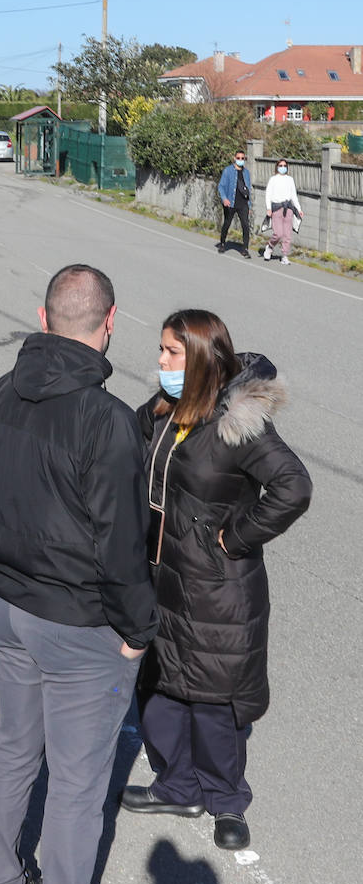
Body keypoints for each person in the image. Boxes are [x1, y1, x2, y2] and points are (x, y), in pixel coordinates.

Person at [0, 264, 160, 884]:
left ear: (45, 316)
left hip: (7, 601)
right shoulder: (107, 420)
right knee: (78, 786)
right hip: (78, 623)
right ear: (109, 322)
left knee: (14, 747)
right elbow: (122, 545)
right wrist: (138, 629)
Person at [119, 310, 311, 852]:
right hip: (157, 580)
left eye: (172, 353)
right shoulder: (161, 411)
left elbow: (293, 486)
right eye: (161, 350)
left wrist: (236, 537)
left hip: (215, 591)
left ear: (202, 358)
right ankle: (177, 785)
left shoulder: (236, 423)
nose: (160, 361)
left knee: (211, 699)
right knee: (159, 689)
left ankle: (227, 799)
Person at [262, 159, 302, 265]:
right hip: (276, 208)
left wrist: (299, 209)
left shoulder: (290, 179)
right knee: (278, 233)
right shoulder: (273, 179)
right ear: (277, 167)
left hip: (288, 208)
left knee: (287, 234)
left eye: (285, 166)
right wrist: (268, 208)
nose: (283, 167)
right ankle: (270, 246)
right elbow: (268, 195)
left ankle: (284, 255)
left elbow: (294, 195)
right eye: (281, 165)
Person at [217, 150, 253, 257]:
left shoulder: (246, 173)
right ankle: (223, 243)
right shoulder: (228, 171)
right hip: (230, 203)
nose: (240, 160)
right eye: (238, 158)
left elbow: (248, 190)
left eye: (243, 158)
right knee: (227, 224)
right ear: (234, 158)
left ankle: (245, 248)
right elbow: (221, 186)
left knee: (246, 226)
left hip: (243, 204)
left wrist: (249, 205)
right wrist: (224, 198)